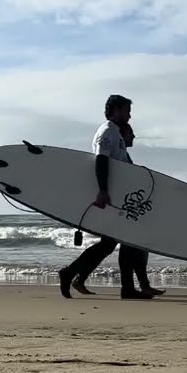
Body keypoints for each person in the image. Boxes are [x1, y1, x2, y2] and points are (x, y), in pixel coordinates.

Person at [58, 94, 151, 300]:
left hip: (118, 199)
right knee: (124, 240)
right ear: (116, 110)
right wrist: (102, 190)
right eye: (127, 111)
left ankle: (71, 273)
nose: (129, 116)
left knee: (109, 244)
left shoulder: (117, 134)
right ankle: (126, 288)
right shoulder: (107, 132)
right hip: (110, 198)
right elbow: (101, 160)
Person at [117, 122, 164, 297]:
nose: (134, 137)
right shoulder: (116, 150)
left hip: (129, 204)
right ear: (122, 135)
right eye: (131, 133)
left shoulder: (123, 154)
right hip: (124, 206)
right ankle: (128, 288)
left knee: (139, 245)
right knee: (130, 245)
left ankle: (142, 285)